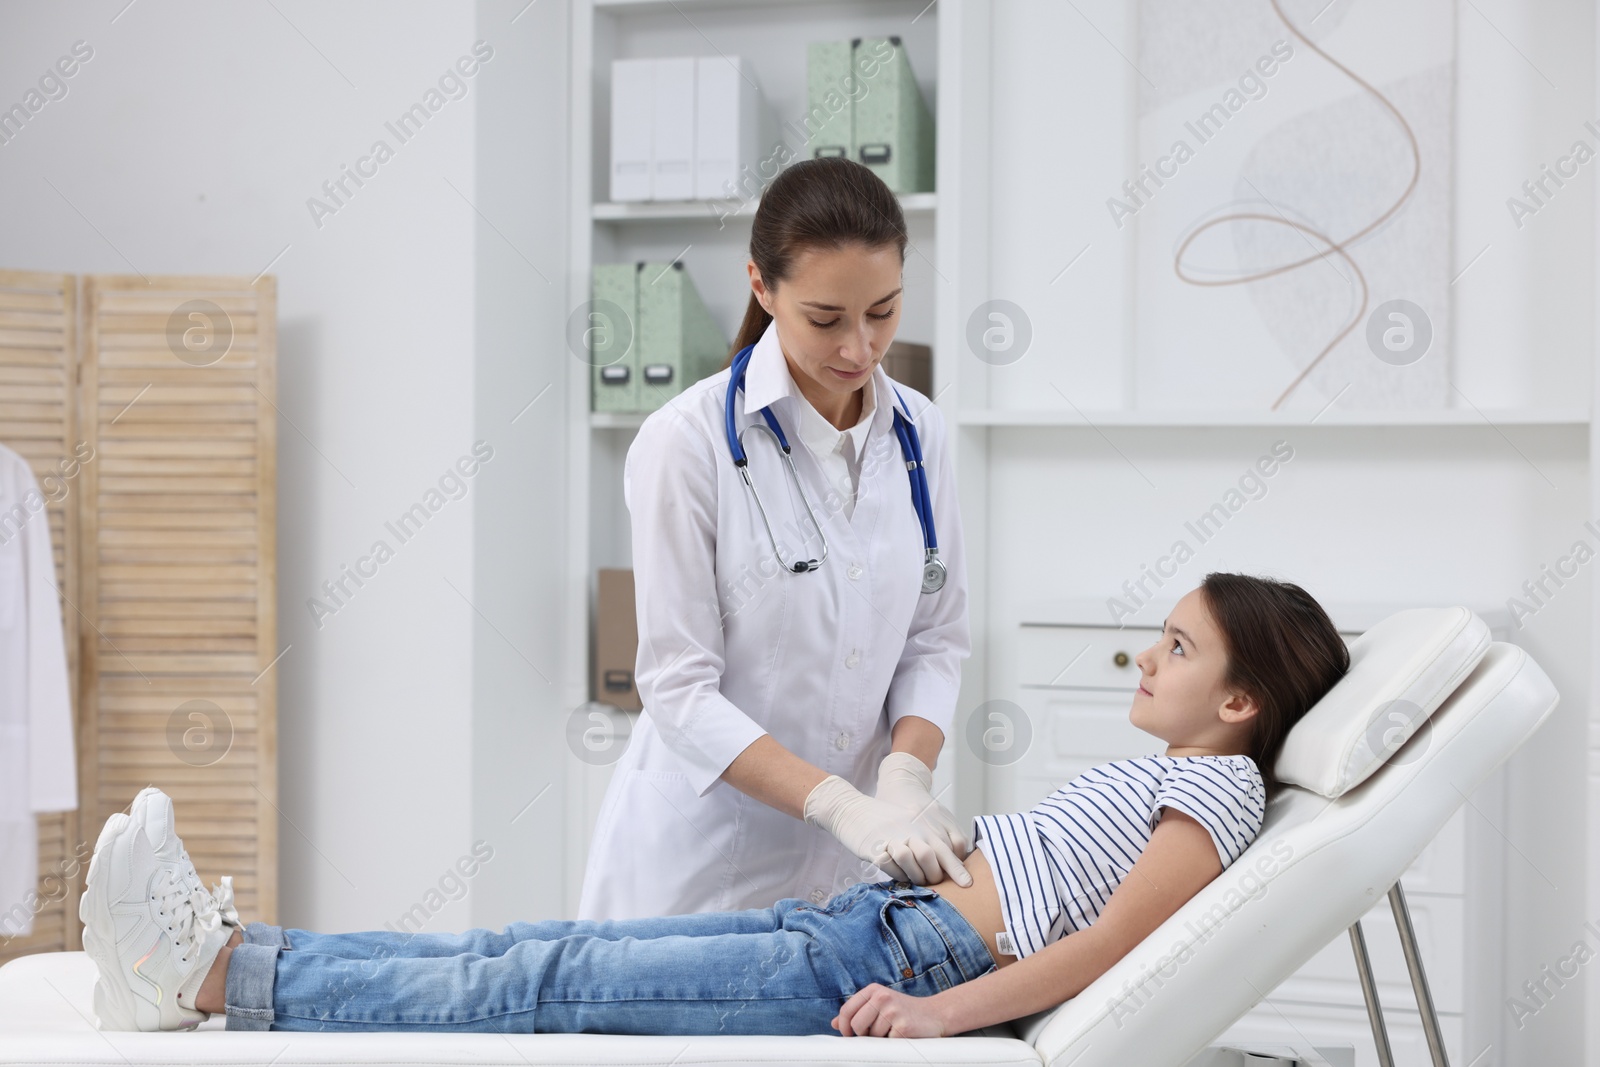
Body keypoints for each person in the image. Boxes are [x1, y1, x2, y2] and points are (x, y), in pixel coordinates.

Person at [78, 573, 1349, 1036]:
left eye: (1177, 648)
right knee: (536, 954)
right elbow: (1058, 883)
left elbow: (1110, 941)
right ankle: (227, 960)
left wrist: (937, 1010)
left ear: (1241, 702)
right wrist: (938, 829)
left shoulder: (1218, 786)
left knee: (532, 986)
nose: (1147, 657)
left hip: (899, 959)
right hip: (865, 923)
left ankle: (212, 971)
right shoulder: (1186, 770)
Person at [579, 156, 973, 919]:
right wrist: (836, 802)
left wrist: (904, 779)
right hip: (700, 871)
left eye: (884, 311)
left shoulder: (922, 434)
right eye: (826, 319)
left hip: (849, 876)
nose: (860, 348)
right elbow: (678, 687)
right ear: (762, 285)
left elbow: (935, 638)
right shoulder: (686, 442)